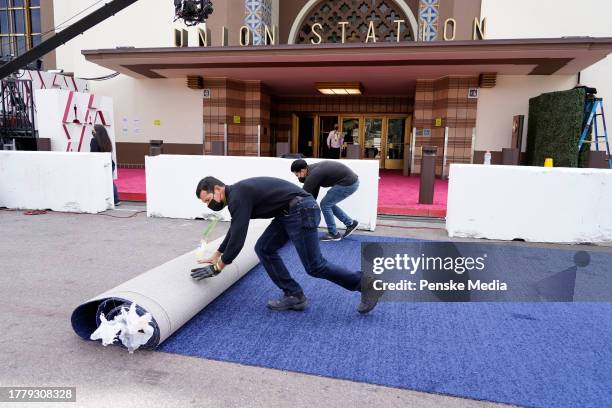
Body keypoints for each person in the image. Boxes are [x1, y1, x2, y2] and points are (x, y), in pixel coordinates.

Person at [193, 176, 383, 314]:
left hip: (301, 210)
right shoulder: (237, 194)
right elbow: (235, 230)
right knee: (264, 248)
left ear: (218, 189)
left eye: (209, 200)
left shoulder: (237, 196)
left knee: (315, 266)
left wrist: (219, 267)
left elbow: (238, 239)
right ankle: (294, 295)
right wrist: (217, 255)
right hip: (288, 213)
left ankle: (366, 285)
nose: (210, 205)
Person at [291, 159, 359, 242]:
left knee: (325, 205)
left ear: (302, 170)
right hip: (350, 181)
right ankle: (350, 223)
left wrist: (290, 208)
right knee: (328, 204)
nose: (297, 177)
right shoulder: (311, 170)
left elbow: (303, 195)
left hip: (348, 183)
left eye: (297, 174)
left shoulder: (313, 175)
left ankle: (333, 234)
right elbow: (313, 191)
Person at [90, 124, 120, 206]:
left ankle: (106, 199)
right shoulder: (107, 140)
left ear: (96, 131)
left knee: (102, 182)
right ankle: (116, 199)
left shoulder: (94, 140)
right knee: (110, 181)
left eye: (93, 130)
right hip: (110, 164)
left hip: (100, 165)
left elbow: (93, 154)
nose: (92, 131)